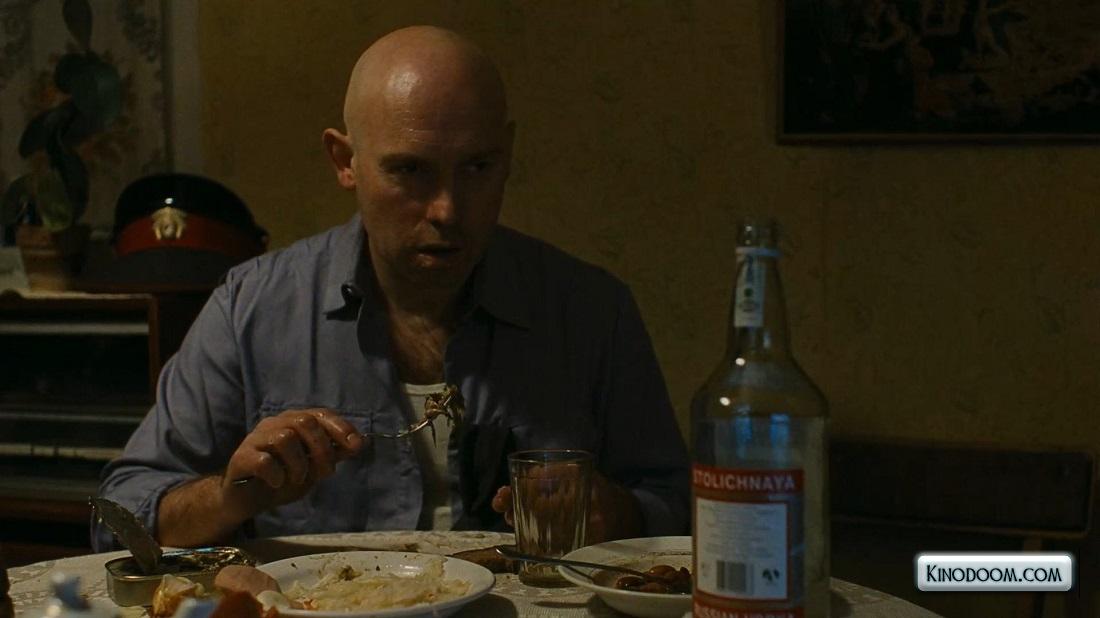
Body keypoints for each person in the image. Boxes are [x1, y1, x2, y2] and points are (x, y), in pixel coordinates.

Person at [93, 25, 689, 551]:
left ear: (508, 154)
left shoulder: (589, 311)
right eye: (410, 170)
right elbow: (120, 514)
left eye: (478, 167)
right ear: (344, 161)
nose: (447, 210)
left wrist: (617, 512)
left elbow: (681, 508)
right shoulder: (253, 307)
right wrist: (231, 496)